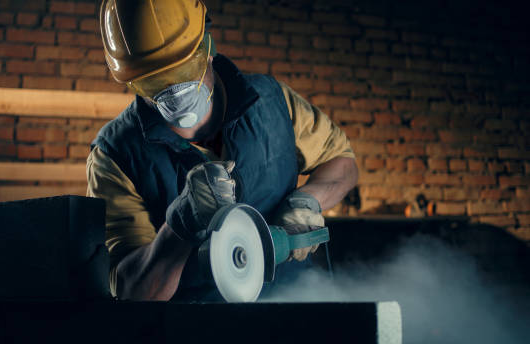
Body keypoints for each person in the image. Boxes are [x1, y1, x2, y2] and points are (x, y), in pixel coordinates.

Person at [87, 0, 358, 301]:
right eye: (153, 82)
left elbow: (342, 162)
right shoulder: (115, 154)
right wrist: (179, 228)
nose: (175, 90)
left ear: (207, 47)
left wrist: (309, 200)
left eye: (183, 69)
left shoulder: (272, 101)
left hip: (298, 307)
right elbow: (131, 290)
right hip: (197, 329)